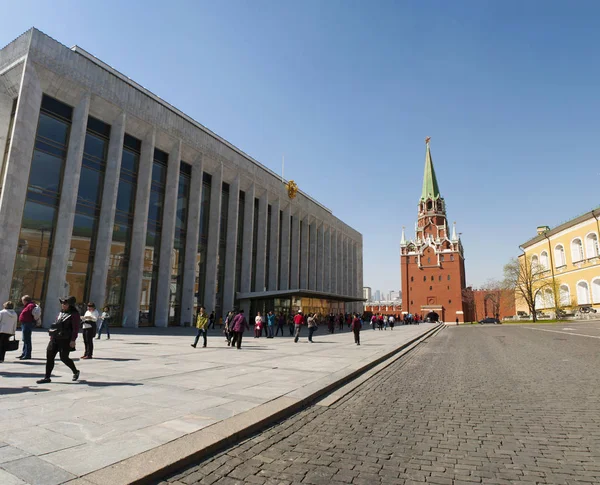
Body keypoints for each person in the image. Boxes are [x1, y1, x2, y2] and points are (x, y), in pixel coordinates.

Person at [36, 296, 80, 384]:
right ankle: (47, 377)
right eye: (62, 303)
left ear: (70, 305)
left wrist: (73, 340)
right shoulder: (61, 312)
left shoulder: (74, 314)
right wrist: (52, 335)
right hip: (55, 338)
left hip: (65, 339)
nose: (63, 305)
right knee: (50, 356)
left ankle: (75, 371)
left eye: (65, 303)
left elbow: (75, 328)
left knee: (64, 358)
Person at [18, 295, 36, 360]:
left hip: (27, 323)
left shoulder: (30, 305)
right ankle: (24, 353)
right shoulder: (28, 305)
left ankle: (27, 354)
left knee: (27, 339)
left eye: (23, 301)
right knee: (25, 339)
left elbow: (32, 314)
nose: (22, 302)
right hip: (25, 323)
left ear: (25, 301)